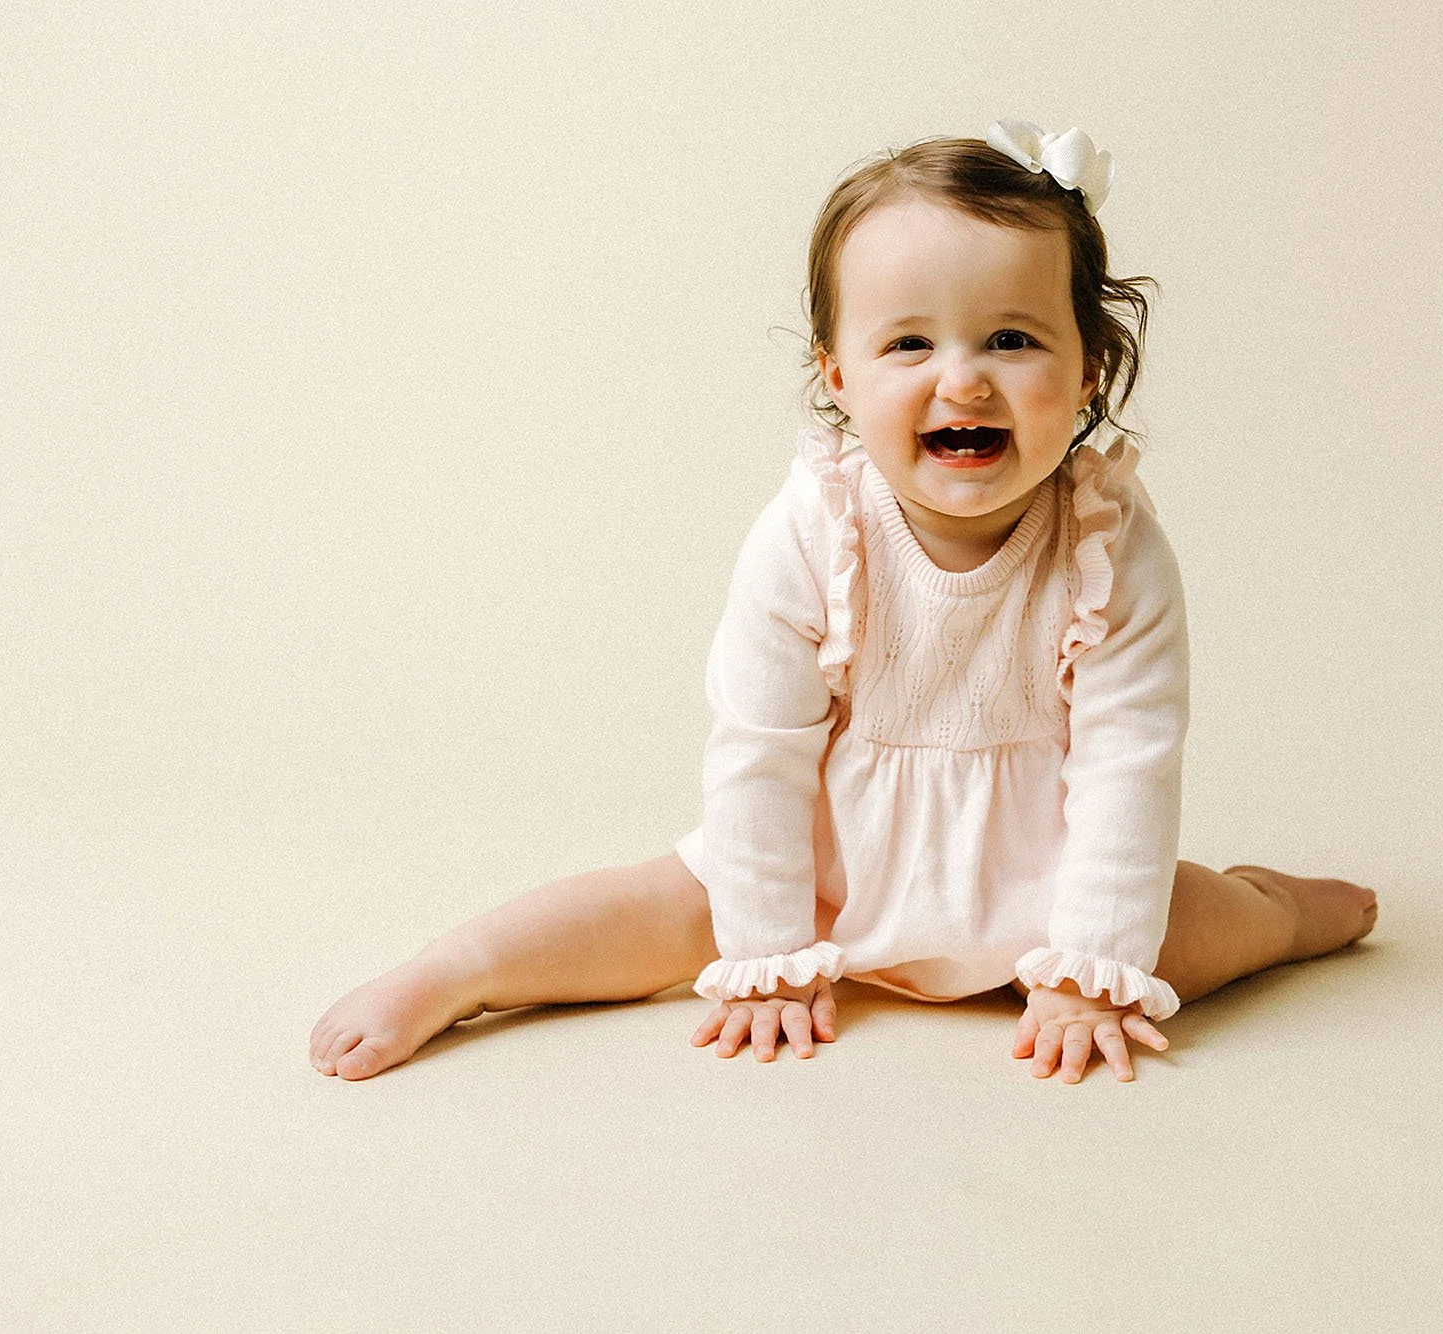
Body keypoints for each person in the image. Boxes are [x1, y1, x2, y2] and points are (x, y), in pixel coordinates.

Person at [310, 120, 1377, 1086]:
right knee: (647, 911)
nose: (961, 381)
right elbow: (758, 748)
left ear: (1089, 367)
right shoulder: (811, 531)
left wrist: (1091, 963)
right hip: (822, 868)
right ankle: (454, 972)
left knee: (1191, 937)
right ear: (839, 373)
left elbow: (1129, 758)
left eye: (1011, 339)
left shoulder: (1109, 545)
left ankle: (1288, 906)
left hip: (1045, 878)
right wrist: (768, 949)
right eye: (909, 343)